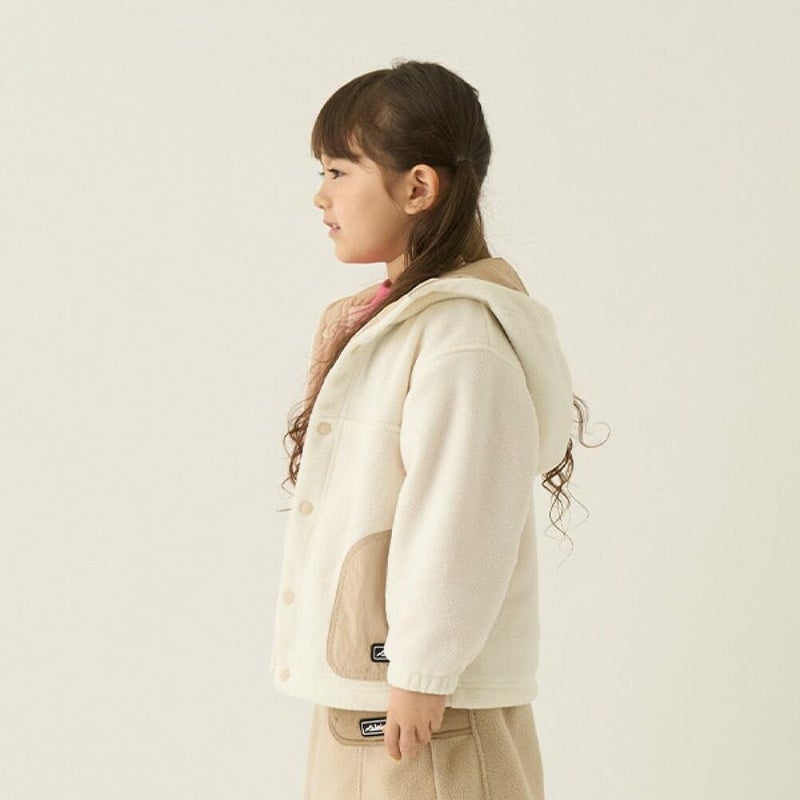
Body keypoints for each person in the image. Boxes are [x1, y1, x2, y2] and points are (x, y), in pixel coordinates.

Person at [271, 59, 584, 800]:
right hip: (372, 693)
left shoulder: (459, 339)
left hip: (425, 710)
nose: (321, 196)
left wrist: (421, 671)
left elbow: (461, 513)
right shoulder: (385, 322)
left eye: (339, 171)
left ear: (418, 187)